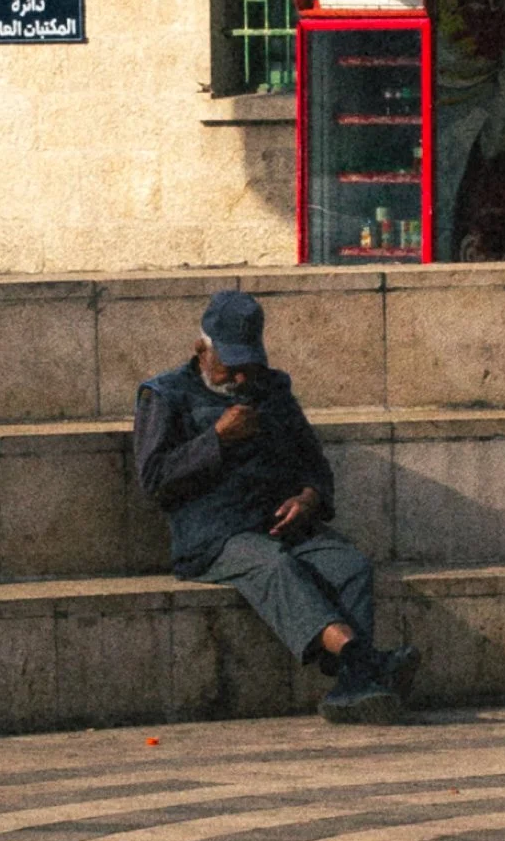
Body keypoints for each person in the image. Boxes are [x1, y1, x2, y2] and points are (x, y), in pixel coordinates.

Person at [134, 291, 418, 725]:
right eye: (231, 367)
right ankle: (362, 663)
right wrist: (216, 439)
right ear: (201, 351)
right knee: (274, 566)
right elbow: (154, 481)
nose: (241, 379)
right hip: (213, 536)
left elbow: (314, 464)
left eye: (249, 366)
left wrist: (308, 498)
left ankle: (349, 689)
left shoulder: (273, 389)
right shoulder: (165, 395)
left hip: (279, 524)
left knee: (349, 565)